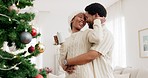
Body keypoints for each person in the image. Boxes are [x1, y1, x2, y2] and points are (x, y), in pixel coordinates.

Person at [60, 3, 114, 78]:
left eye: (87, 17)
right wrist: (64, 66)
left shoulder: (106, 34)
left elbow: (90, 56)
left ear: (96, 16)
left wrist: (66, 62)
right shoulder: (90, 33)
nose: (86, 21)